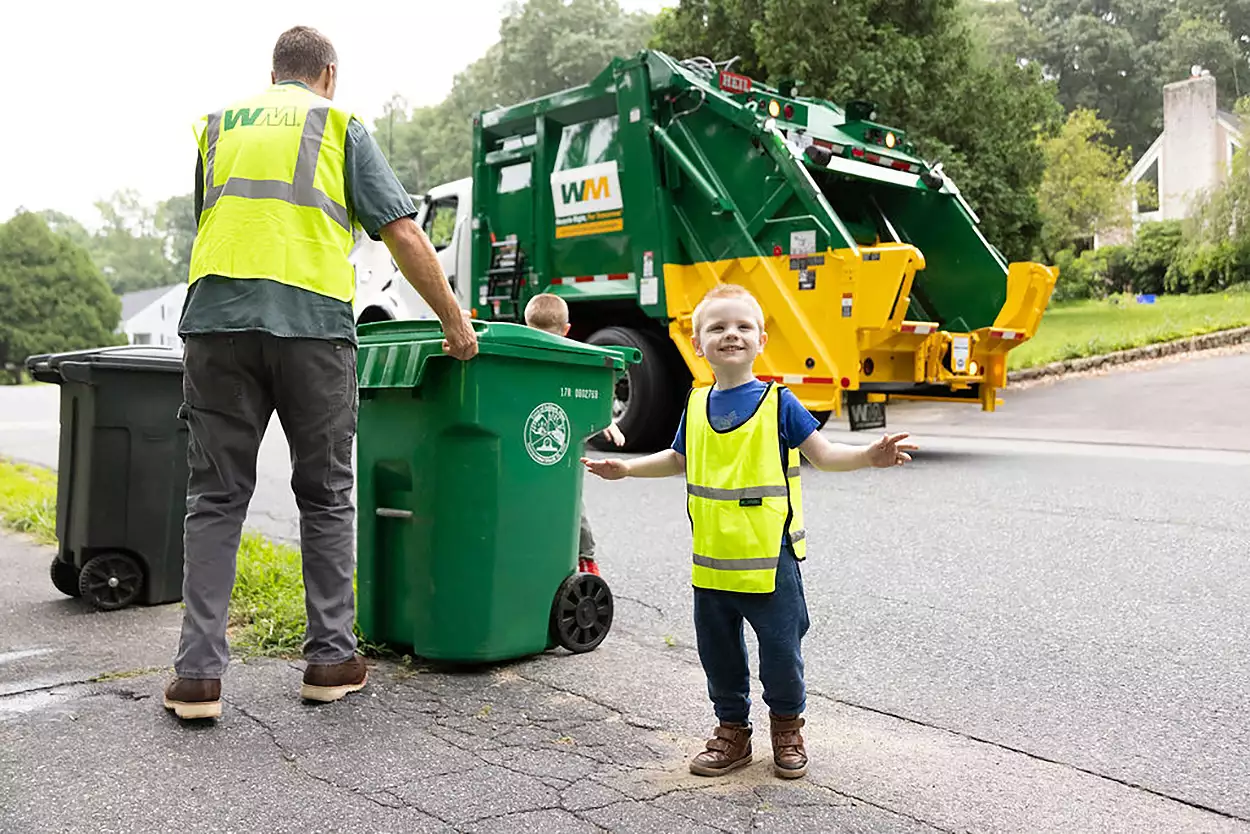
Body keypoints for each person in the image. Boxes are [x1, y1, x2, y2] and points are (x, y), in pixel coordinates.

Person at [163, 25, 478, 721]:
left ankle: (197, 677)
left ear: (275, 74)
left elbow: (208, 223)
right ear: (327, 75)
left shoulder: (217, 128)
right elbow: (400, 230)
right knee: (326, 493)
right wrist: (456, 325)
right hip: (311, 328)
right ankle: (331, 660)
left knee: (215, 498)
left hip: (216, 321)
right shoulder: (339, 124)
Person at [583, 283, 915, 779]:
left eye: (742, 327)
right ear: (698, 344)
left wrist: (870, 456)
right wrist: (627, 470)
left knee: (781, 652)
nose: (730, 335)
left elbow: (822, 454)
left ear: (761, 339)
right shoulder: (696, 405)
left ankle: (787, 727)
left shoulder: (779, 403)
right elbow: (678, 459)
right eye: (717, 328)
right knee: (718, 655)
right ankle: (732, 731)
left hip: (769, 561)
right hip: (712, 561)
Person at [523, 293, 622, 576]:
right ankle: (586, 561)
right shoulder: (574, 359)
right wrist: (606, 421)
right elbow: (589, 396)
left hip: (527, 452)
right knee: (571, 507)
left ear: (526, 324)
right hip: (562, 454)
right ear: (568, 330)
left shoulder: (522, 358)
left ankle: (537, 559)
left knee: (530, 505)